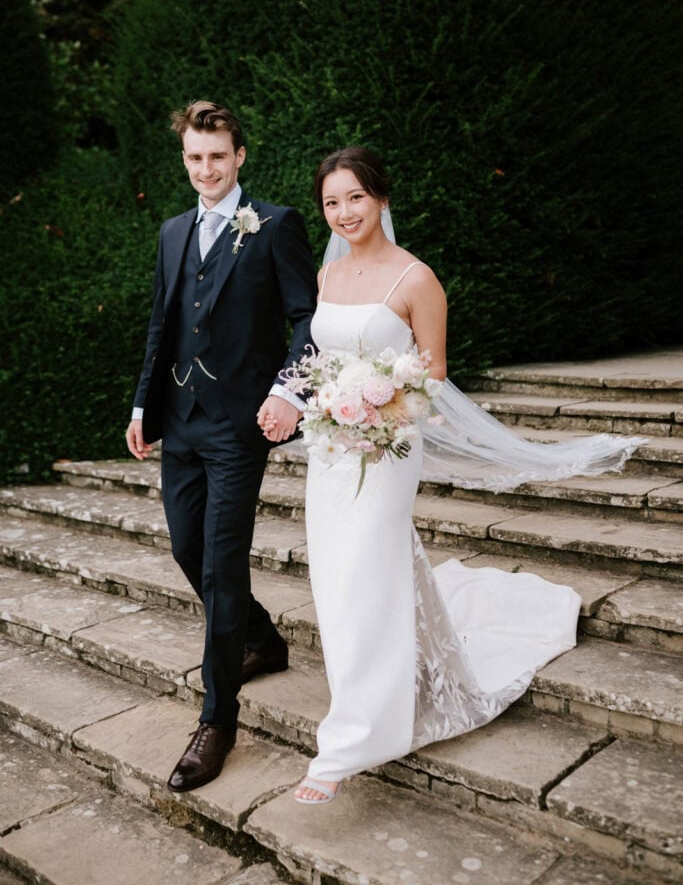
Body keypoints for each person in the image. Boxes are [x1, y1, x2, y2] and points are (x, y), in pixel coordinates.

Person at [293, 147, 644, 804]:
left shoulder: (416, 280)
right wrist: (327, 407)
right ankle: (373, 684)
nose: (343, 213)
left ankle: (350, 740)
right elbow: (321, 356)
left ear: (381, 200)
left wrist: (377, 407)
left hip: (389, 446)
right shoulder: (326, 276)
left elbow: (430, 375)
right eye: (331, 202)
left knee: (367, 567)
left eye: (355, 199)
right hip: (332, 449)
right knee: (336, 576)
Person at [125, 100, 317, 792]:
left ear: (239, 157)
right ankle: (260, 639)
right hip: (180, 418)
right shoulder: (173, 230)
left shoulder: (275, 225)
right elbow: (164, 320)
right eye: (193, 158)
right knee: (185, 547)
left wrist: (288, 392)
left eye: (216, 156)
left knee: (219, 564)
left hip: (241, 423)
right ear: (185, 160)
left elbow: (306, 317)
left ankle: (217, 718)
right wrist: (145, 402)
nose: (205, 169)